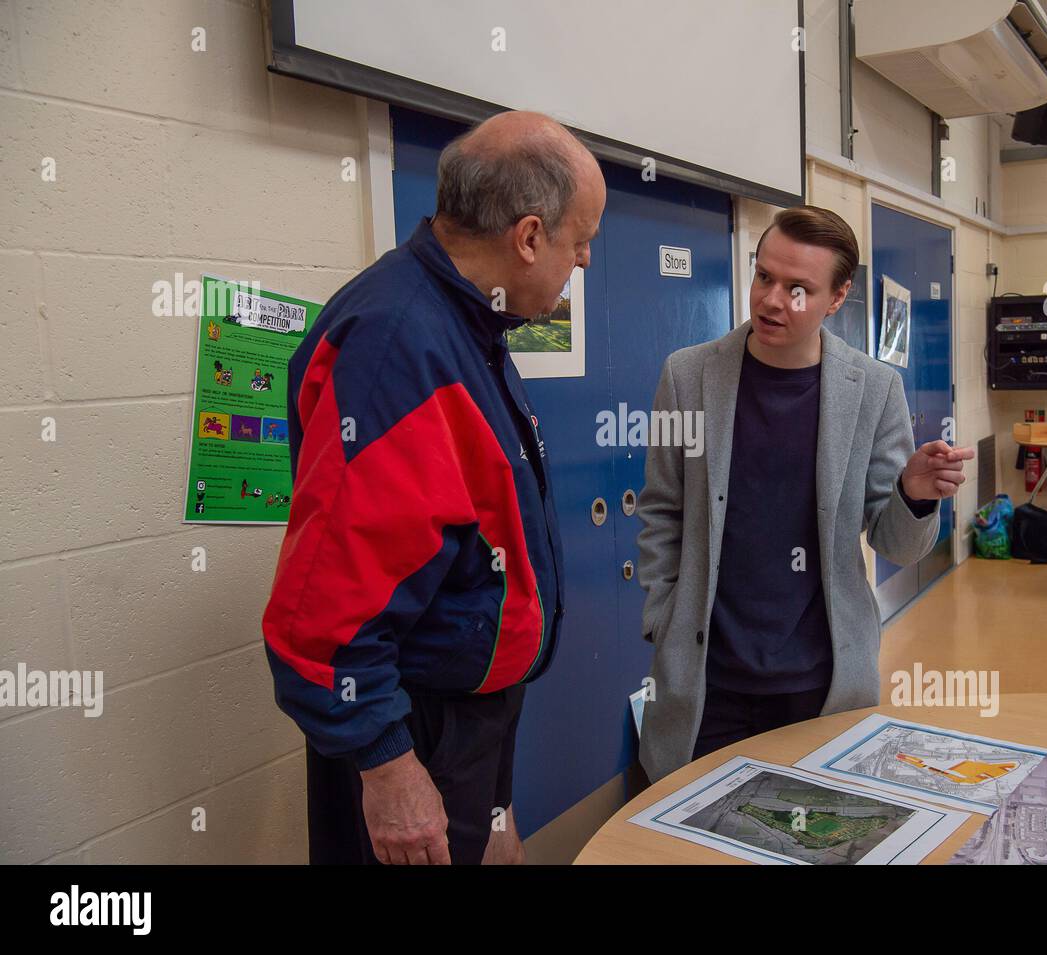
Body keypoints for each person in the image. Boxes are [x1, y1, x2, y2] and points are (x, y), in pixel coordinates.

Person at [262, 111, 605, 864]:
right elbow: (321, 617)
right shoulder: (399, 344)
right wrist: (390, 771)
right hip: (412, 737)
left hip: (472, 730)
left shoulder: (471, 327)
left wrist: (498, 803)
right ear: (528, 237)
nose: (583, 262)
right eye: (581, 242)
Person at [635, 205, 973, 781]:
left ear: (836, 298)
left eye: (798, 289)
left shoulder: (872, 390)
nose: (771, 300)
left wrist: (913, 495)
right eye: (764, 277)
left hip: (821, 681)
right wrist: (663, 620)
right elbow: (662, 508)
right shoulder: (688, 377)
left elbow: (896, 544)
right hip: (708, 680)